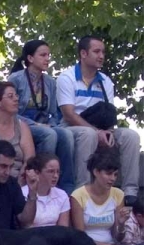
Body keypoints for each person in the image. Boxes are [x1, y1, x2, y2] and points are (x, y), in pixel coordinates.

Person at [57, 35, 140, 203]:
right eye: (96, 51)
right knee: (88, 134)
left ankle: (130, 191)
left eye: (103, 52)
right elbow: (69, 114)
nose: (101, 56)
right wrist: (97, 132)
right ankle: (83, 191)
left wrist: (107, 133)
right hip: (71, 127)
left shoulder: (106, 82)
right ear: (83, 53)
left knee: (131, 136)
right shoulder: (67, 78)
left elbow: (108, 114)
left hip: (100, 128)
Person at [8, 40, 75, 194]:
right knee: (49, 135)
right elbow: (12, 112)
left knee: (66, 134)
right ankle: (41, 179)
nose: (47, 59)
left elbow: (53, 112)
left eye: (48, 55)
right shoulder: (16, 78)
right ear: (30, 58)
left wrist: (52, 124)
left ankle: (67, 186)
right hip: (22, 122)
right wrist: (37, 125)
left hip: (44, 123)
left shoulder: (50, 82)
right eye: (43, 55)